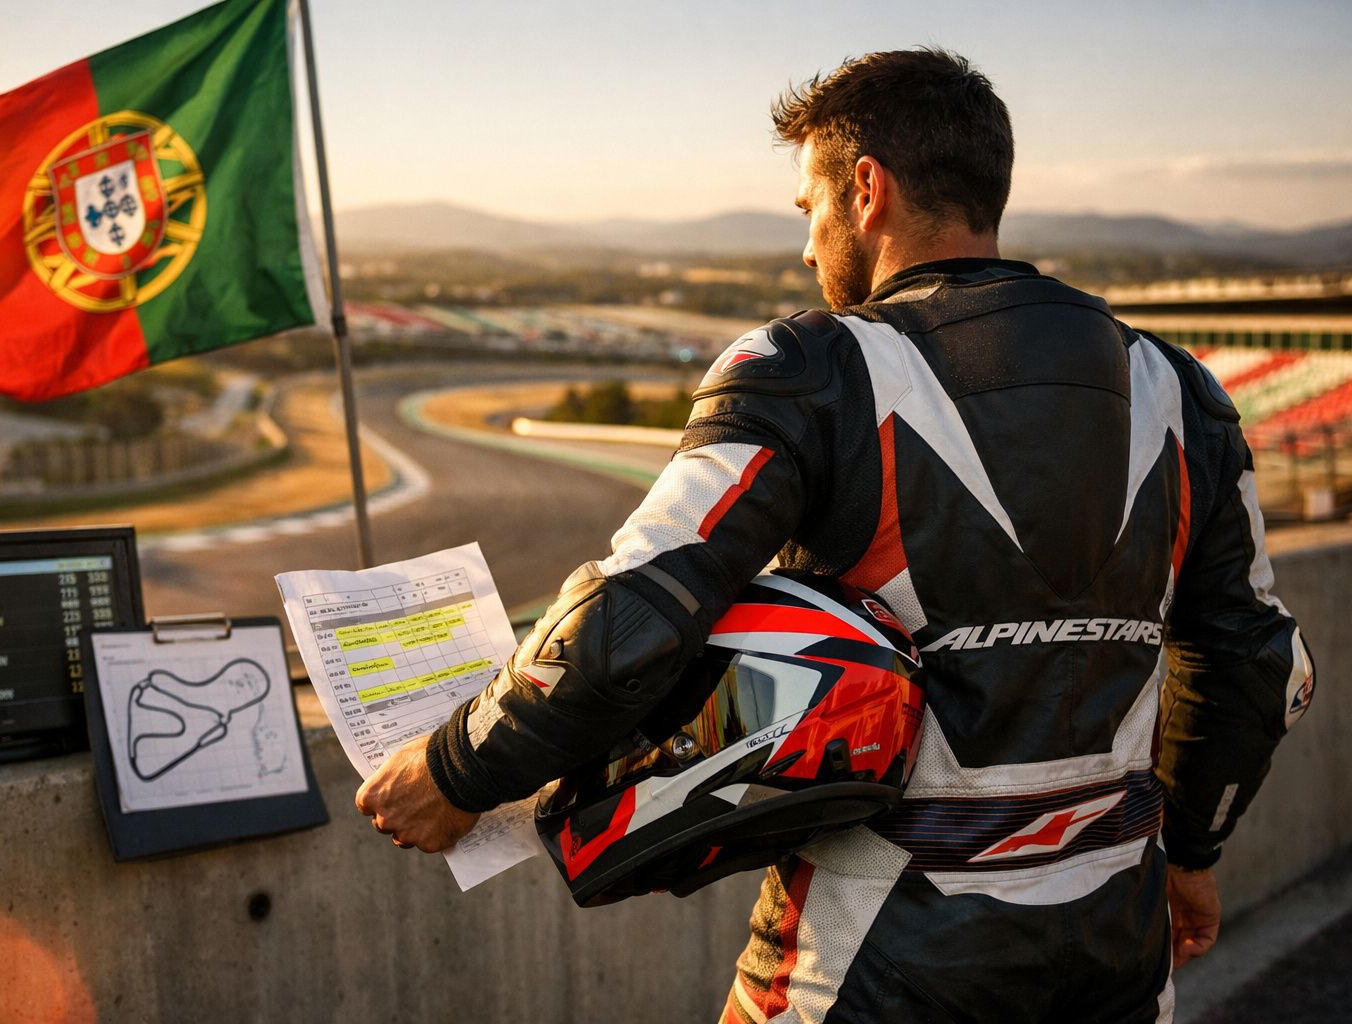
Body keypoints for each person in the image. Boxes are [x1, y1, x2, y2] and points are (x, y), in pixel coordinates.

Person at [357, 47, 1314, 1022]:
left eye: (809, 210)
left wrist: (456, 768)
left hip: (874, 955)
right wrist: (1191, 853)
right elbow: (1256, 663)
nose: (808, 252)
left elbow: (634, 612)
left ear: (866, 191)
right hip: (1113, 945)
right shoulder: (1180, 385)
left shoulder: (811, 364)